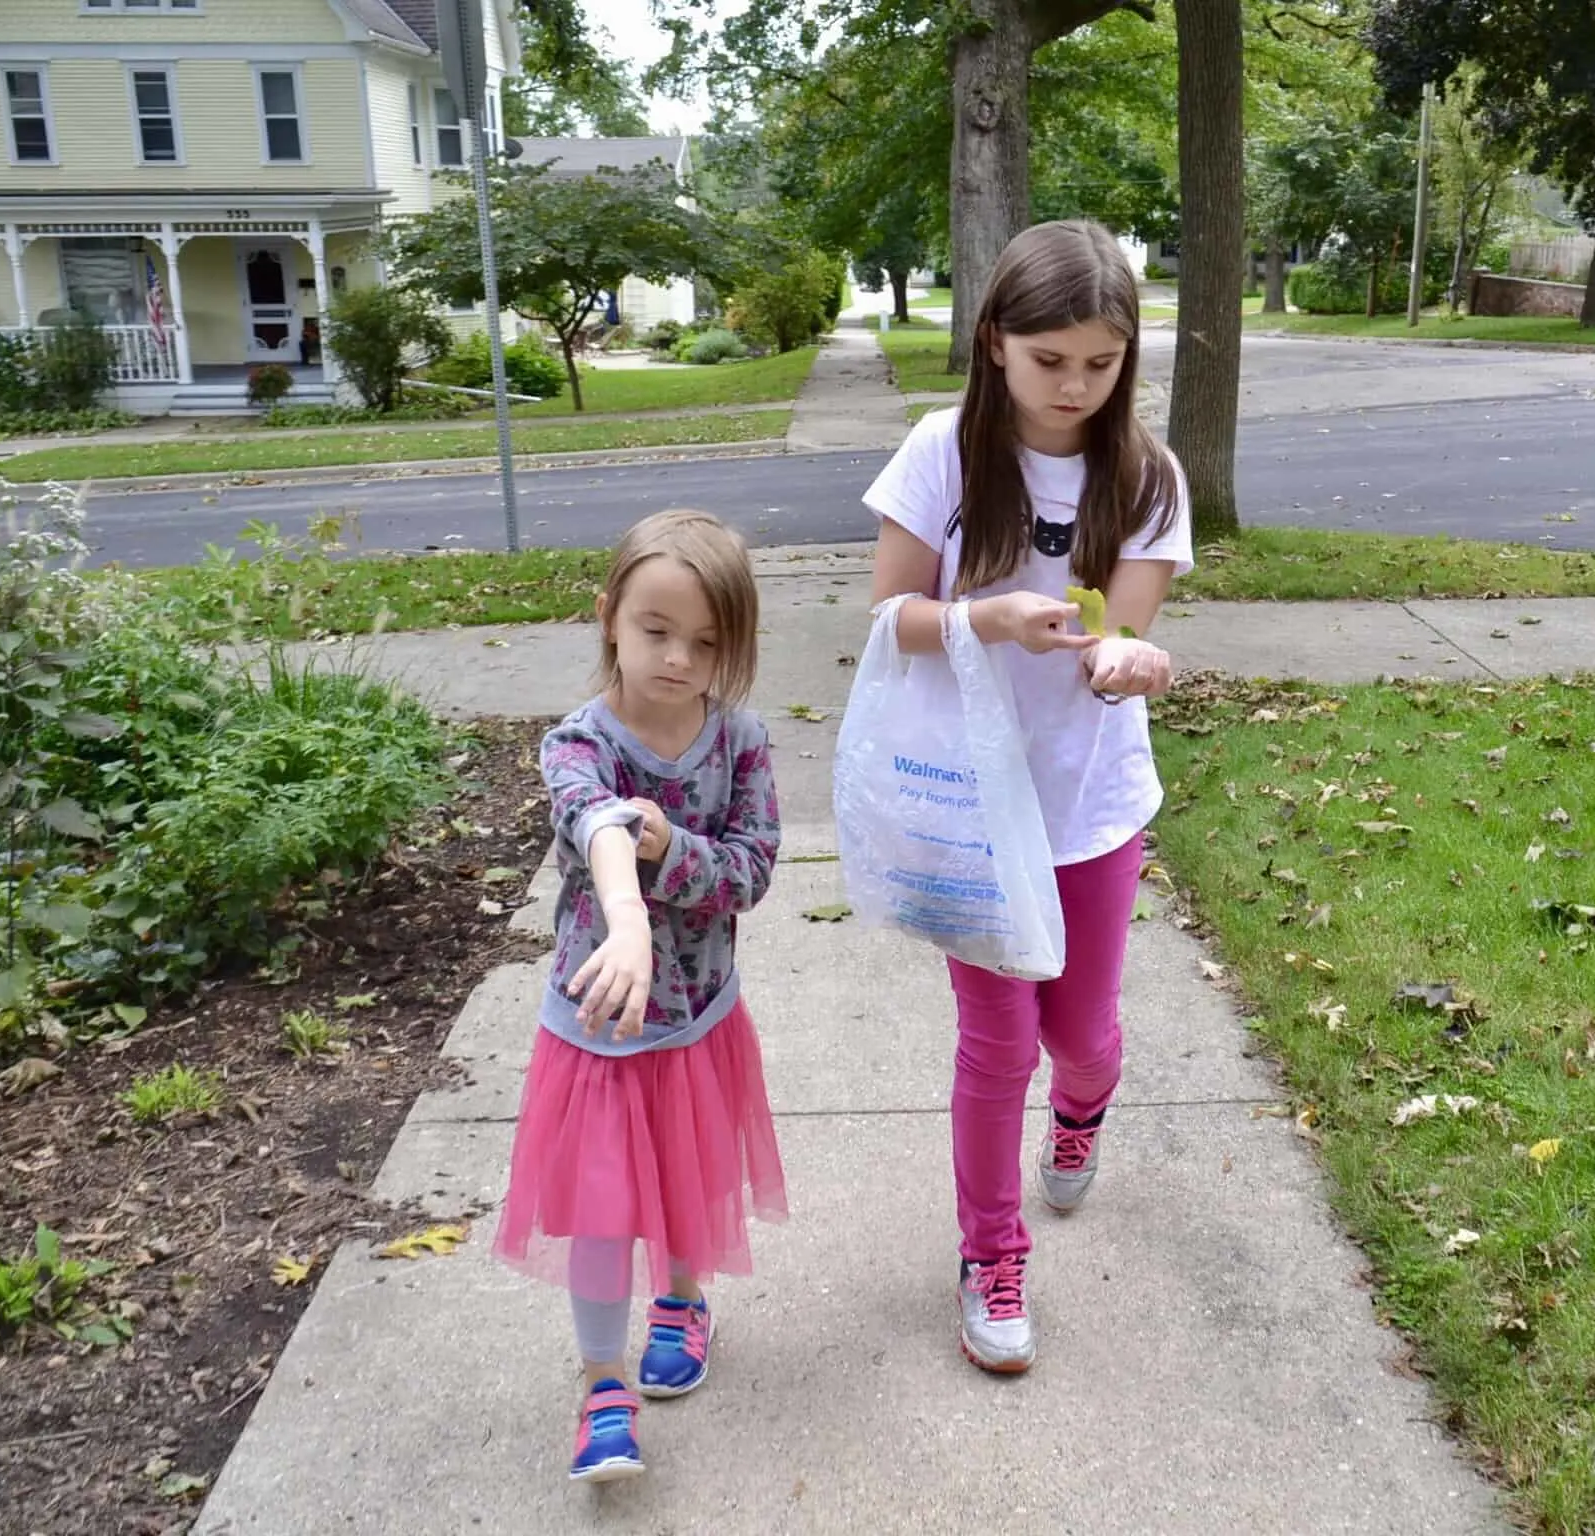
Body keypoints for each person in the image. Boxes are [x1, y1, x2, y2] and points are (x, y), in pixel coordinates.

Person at [860, 219, 1193, 1373]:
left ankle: (1087, 1106)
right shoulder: (940, 455)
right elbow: (891, 620)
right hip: (971, 810)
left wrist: (1120, 656)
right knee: (996, 1044)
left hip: (1092, 806)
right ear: (995, 341)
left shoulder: (1145, 475)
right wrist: (980, 618)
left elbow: (1120, 626)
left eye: (1100, 364)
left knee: (1082, 1039)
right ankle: (990, 1254)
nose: (1074, 386)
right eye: (1051, 361)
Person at [494, 509, 787, 1481]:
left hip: (699, 1016)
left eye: (707, 644)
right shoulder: (577, 743)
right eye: (657, 631)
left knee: (691, 1175)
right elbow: (599, 824)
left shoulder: (740, 743)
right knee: (606, 1207)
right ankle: (601, 1385)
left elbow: (749, 872)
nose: (678, 658)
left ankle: (685, 1298)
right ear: (608, 617)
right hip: (601, 1026)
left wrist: (681, 852)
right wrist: (627, 920)